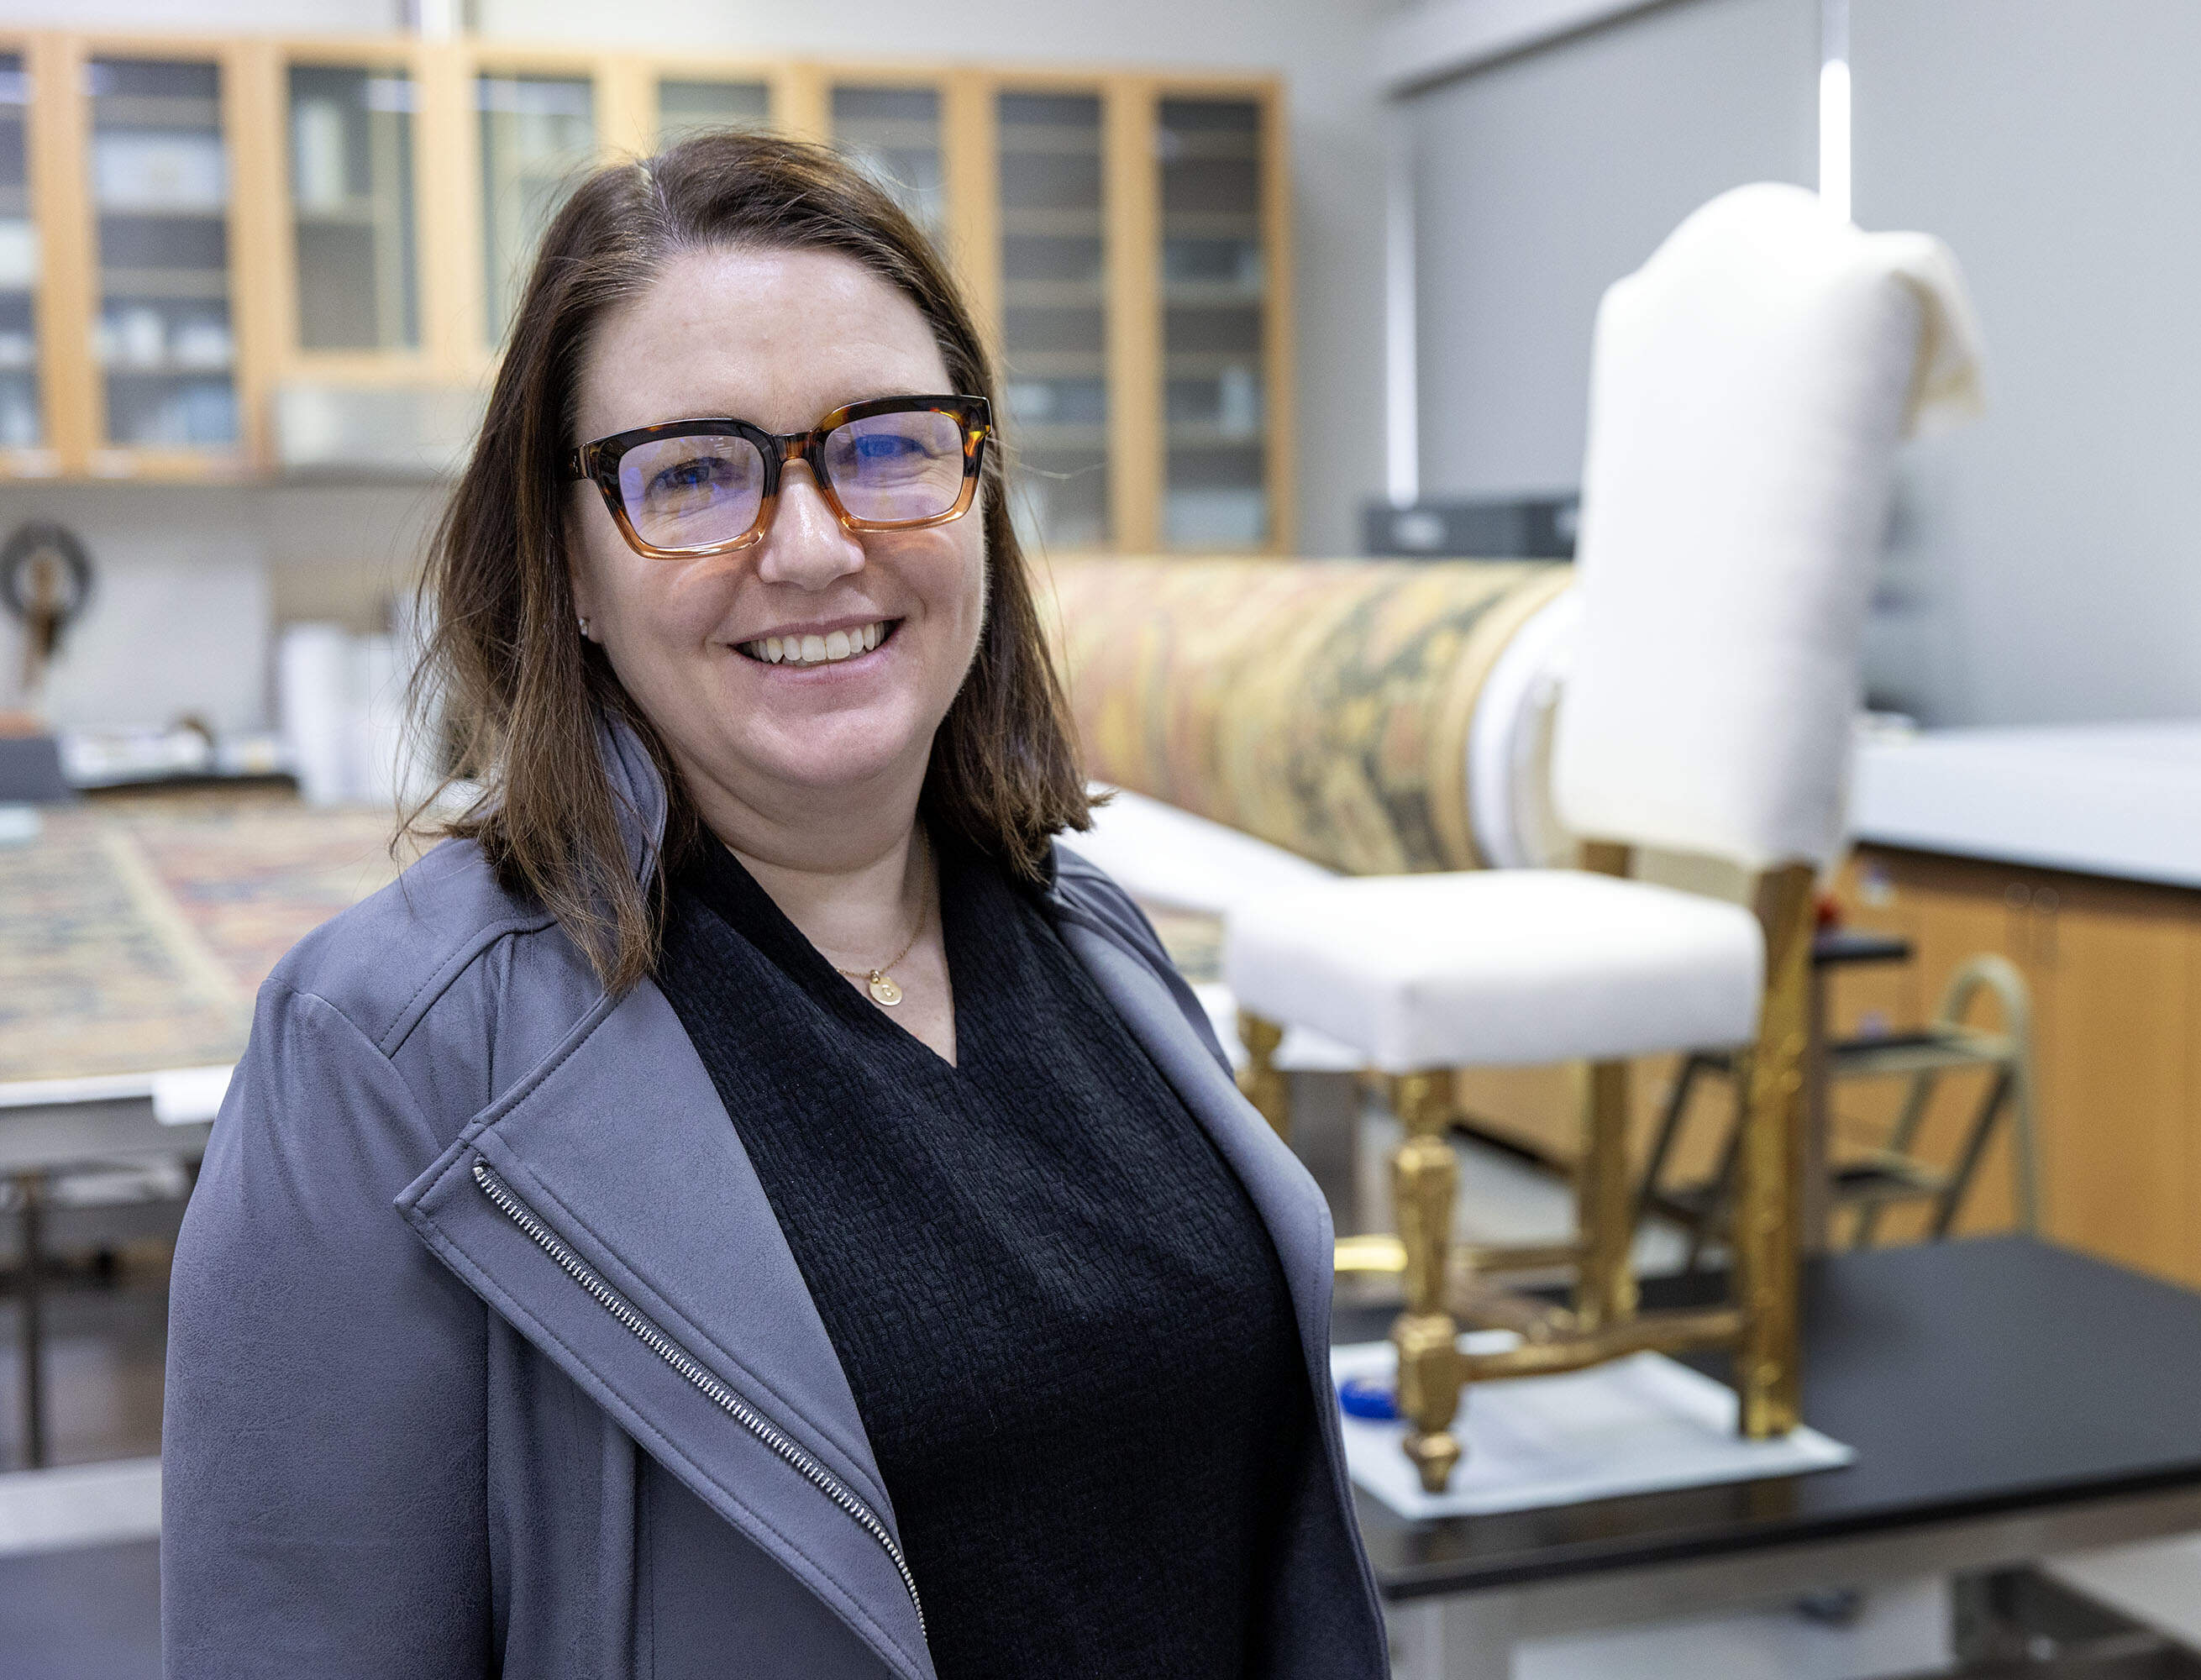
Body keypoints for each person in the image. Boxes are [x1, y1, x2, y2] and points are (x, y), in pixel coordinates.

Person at [160, 133, 1384, 1679]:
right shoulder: (382, 1064)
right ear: (573, 570)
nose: (812, 547)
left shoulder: (1092, 938)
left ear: (978, 490)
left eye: (886, 444)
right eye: (692, 474)